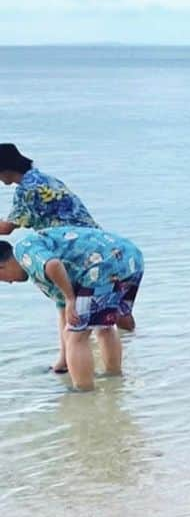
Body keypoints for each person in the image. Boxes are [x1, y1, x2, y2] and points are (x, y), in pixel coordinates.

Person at [0, 143, 125, 373]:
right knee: (98, 316)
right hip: (97, 245)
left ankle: (73, 370)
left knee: (72, 315)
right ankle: (73, 362)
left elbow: (6, 228)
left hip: (75, 251)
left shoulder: (26, 189)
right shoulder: (43, 178)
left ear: (5, 169)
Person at [0, 226, 144, 391]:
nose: (9, 282)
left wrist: (70, 299)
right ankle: (114, 379)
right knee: (104, 326)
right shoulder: (38, 267)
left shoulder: (23, 251)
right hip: (130, 258)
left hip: (103, 266)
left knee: (77, 335)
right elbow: (63, 312)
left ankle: (83, 391)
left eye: (2, 279)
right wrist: (62, 362)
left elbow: (53, 265)